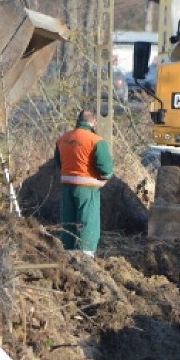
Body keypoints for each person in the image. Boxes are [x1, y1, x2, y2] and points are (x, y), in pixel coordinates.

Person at [54, 109, 114, 257]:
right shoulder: (96, 140)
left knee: (68, 219)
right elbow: (105, 168)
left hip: (67, 185)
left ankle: (66, 252)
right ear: (94, 122)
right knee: (88, 221)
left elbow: (58, 162)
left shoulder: (62, 139)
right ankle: (85, 255)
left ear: (78, 121)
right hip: (87, 188)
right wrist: (104, 178)